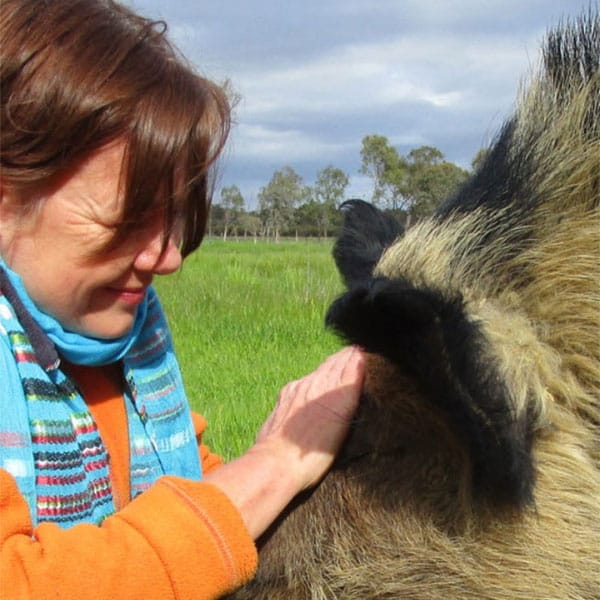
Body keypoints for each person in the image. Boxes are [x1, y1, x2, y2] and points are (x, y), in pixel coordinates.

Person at [0, 1, 365, 598]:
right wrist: (273, 465)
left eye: (175, 219)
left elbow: (192, 502)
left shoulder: (125, 349)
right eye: (126, 217)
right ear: (7, 197)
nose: (166, 258)